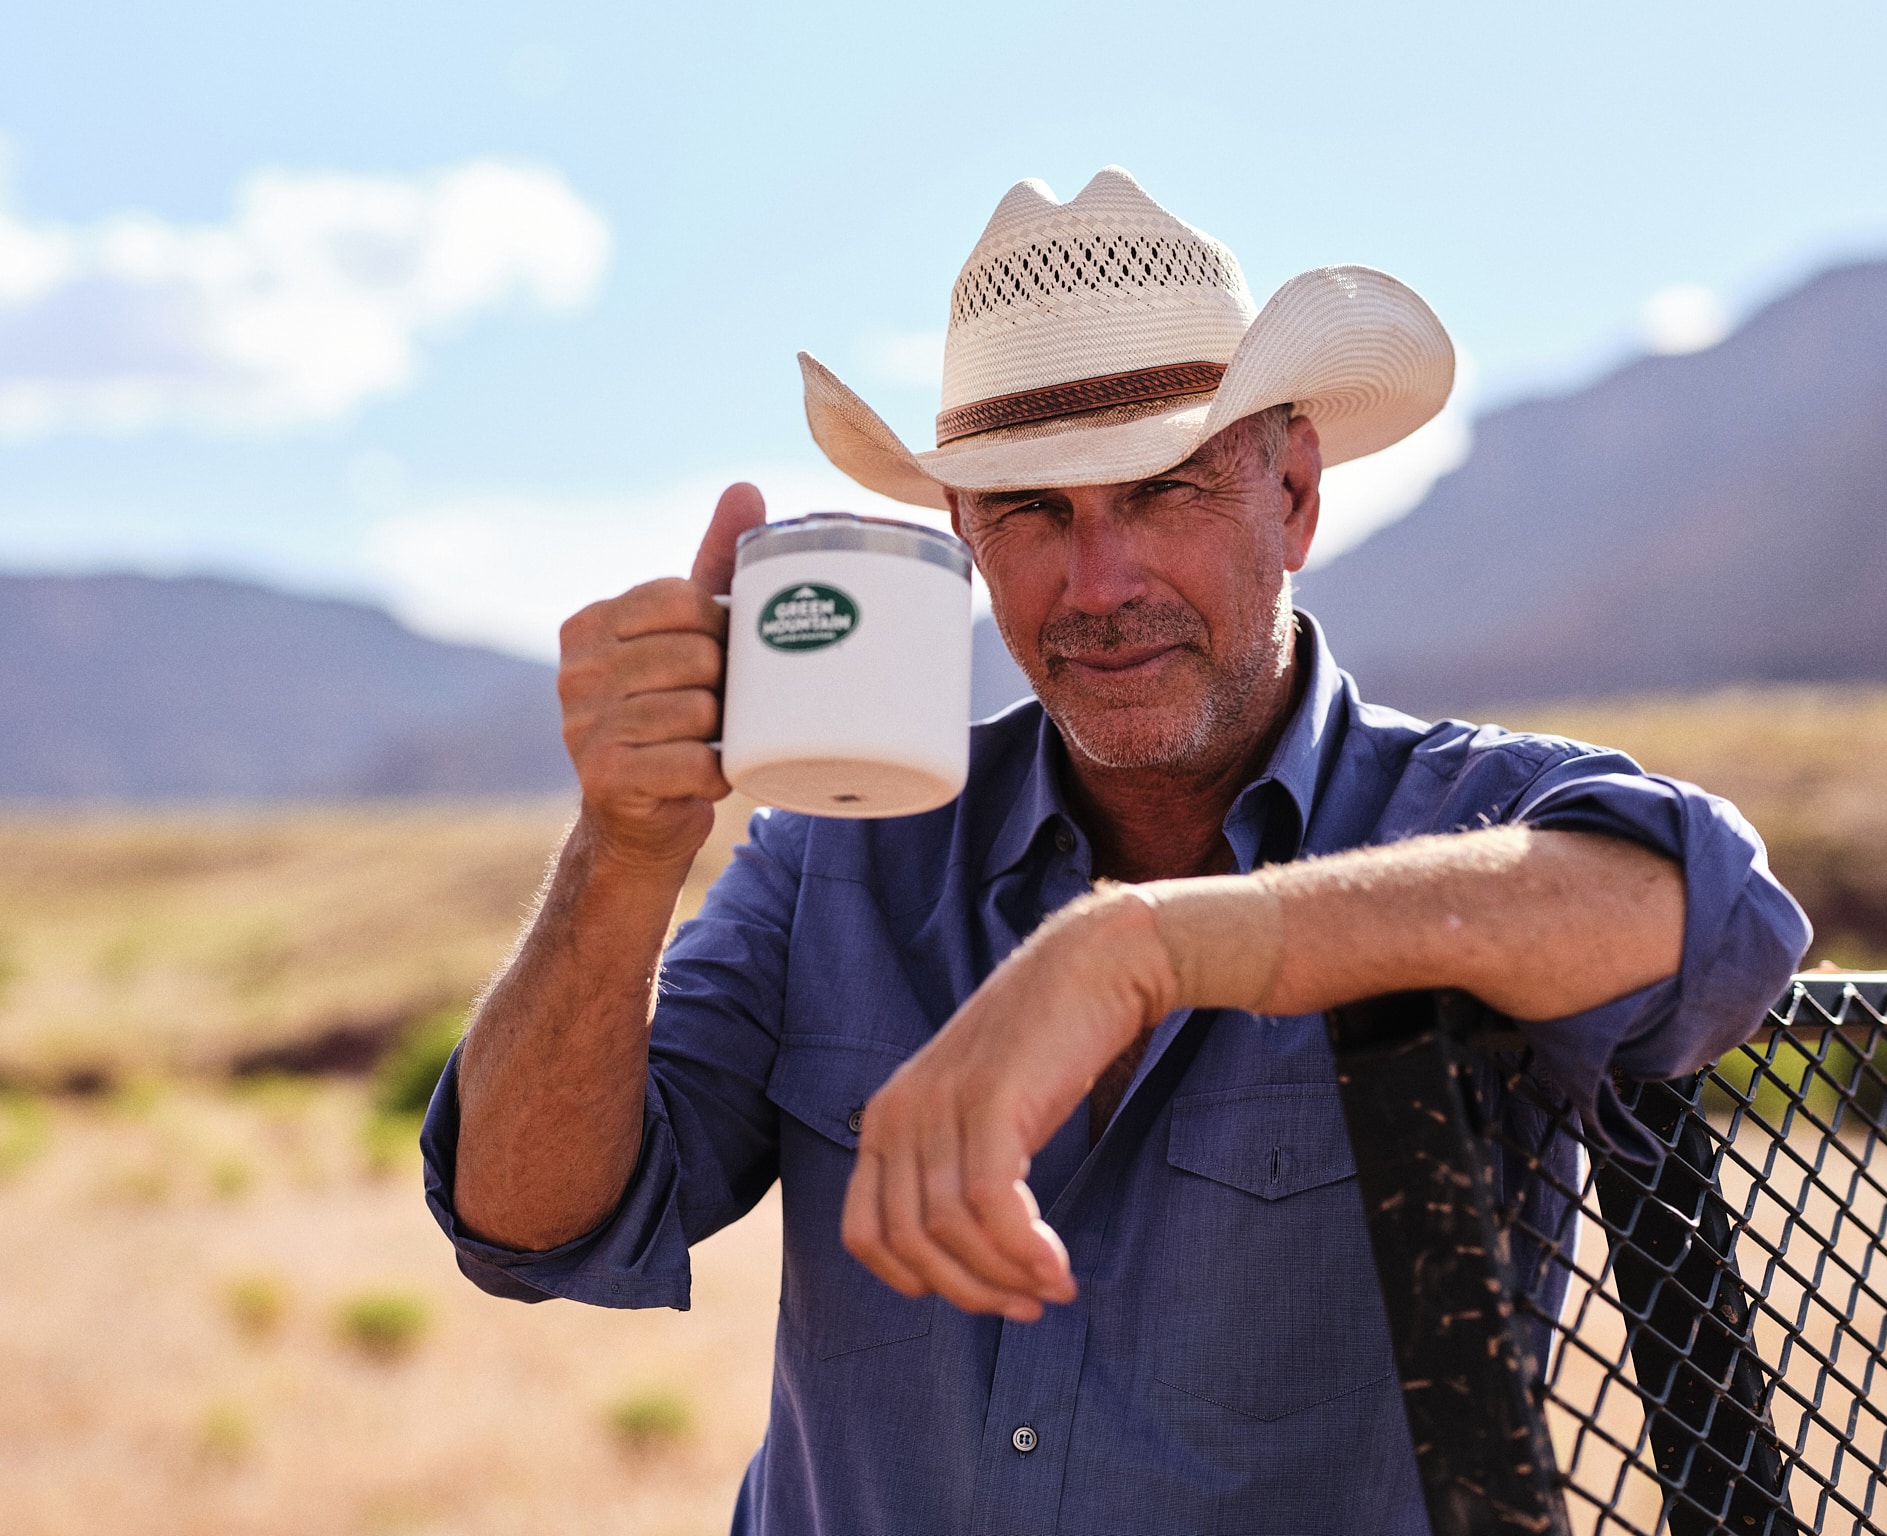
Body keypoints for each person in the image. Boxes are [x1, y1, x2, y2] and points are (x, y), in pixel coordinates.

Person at [423, 168, 1809, 1535]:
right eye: (1031, 510)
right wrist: (624, 850)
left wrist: (1147, 949)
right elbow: (531, 1225)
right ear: (961, 536)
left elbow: (1713, 916)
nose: (1099, 585)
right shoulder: (834, 863)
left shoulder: (1467, 820)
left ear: (1296, 494)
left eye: (1161, 490)